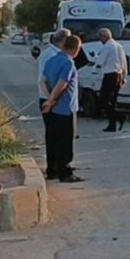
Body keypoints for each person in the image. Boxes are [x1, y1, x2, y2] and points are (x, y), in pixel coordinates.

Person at [41, 35, 83, 182]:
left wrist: (48, 99)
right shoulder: (68, 63)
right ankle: (65, 172)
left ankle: (52, 170)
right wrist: (52, 100)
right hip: (66, 108)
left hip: (53, 109)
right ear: (76, 49)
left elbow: (43, 81)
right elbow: (62, 84)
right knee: (65, 141)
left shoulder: (51, 60)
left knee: (52, 139)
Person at [94, 27, 128, 132]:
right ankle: (112, 125)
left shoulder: (107, 46)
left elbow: (100, 62)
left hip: (109, 75)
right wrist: (124, 76)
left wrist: (95, 57)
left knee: (103, 100)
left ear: (104, 36)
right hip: (118, 74)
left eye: (100, 38)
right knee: (112, 101)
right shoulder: (118, 46)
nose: (100, 40)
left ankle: (119, 116)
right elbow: (124, 62)